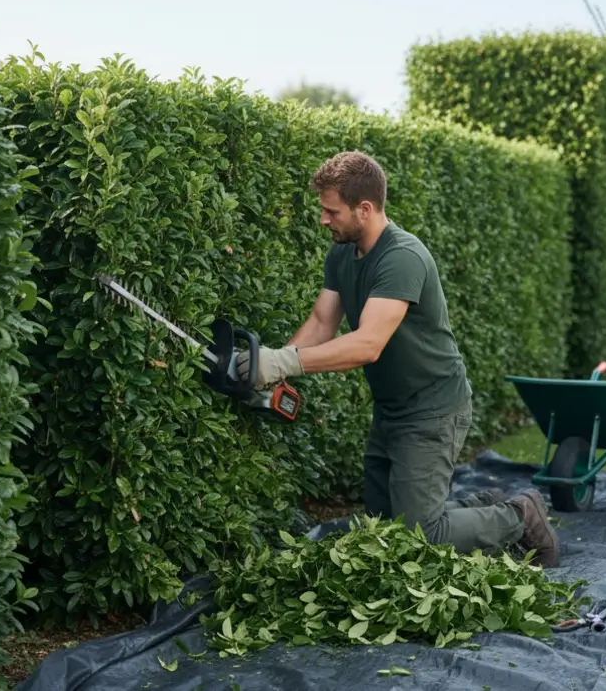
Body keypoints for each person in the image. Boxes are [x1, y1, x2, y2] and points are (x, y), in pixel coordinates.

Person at [235, 150, 561, 568]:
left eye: (331, 211)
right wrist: (271, 369)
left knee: (419, 537)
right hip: (391, 409)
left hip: (433, 409)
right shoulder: (341, 254)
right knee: (382, 530)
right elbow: (321, 322)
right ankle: (485, 502)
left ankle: (520, 514)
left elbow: (368, 343)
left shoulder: (401, 257)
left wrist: (284, 363)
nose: (323, 220)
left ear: (365, 209)